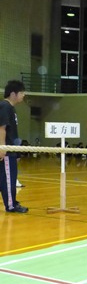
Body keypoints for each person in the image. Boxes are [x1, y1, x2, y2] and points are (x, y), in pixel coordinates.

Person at [0, 80, 28, 213]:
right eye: (21, 93)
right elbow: (2, 128)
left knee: (6, 178)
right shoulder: (5, 106)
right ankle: (11, 205)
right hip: (6, 151)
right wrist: (2, 148)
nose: (23, 95)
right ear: (13, 94)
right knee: (8, 180)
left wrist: (17, 153)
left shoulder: (11, 108)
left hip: (12, 151)